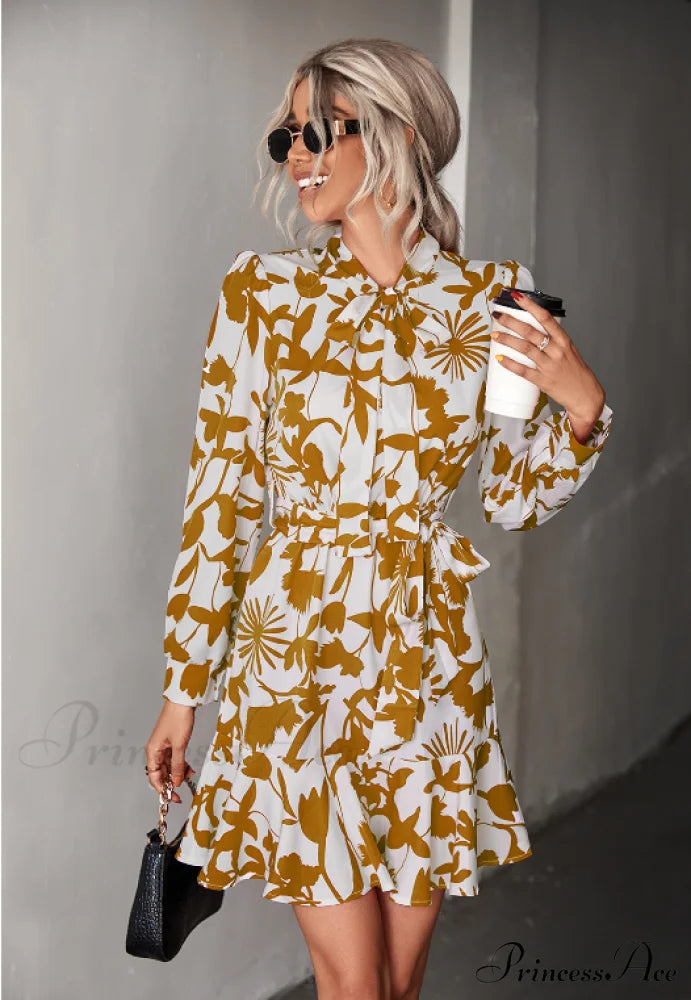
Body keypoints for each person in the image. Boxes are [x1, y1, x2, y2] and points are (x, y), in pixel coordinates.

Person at [145, 37, 613, 1000]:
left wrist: (580, 406)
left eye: (319, 130)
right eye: (286, 136)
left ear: (396, 133)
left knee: (396, 985)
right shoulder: (263, 295)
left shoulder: (487, 302)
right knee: (357, 987)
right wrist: (184, 690)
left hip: (425, 664)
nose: (296, 155)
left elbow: (509, 499)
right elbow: (221, 498)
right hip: (295, 660)